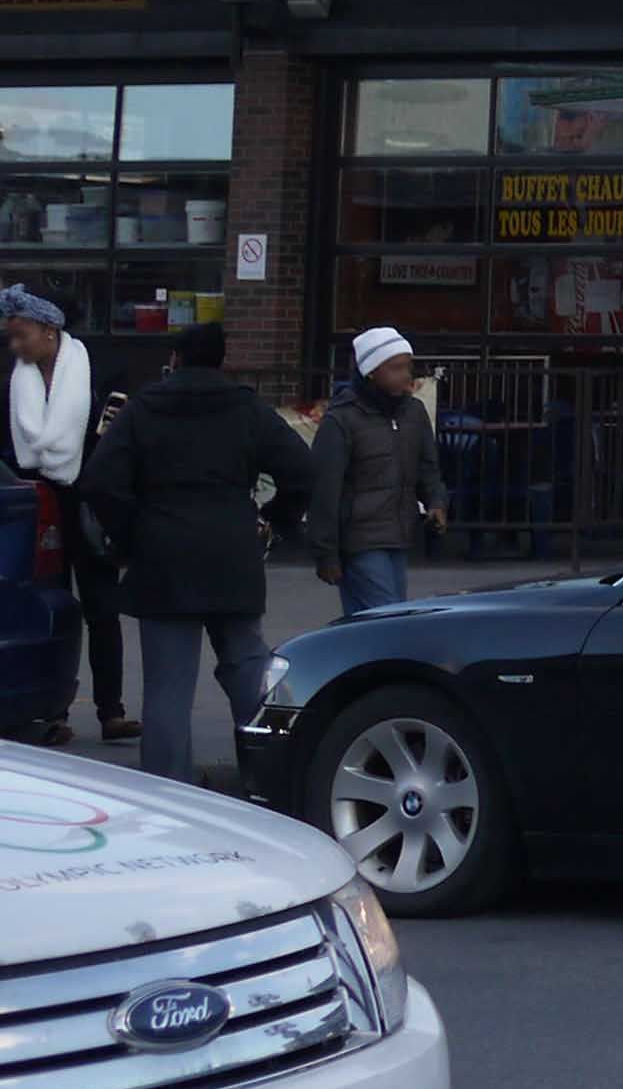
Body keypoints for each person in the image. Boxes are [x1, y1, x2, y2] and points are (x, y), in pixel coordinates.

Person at [80, 318, 311, 786]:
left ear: (175, 359)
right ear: (222, 360)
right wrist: (276, 520)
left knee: (168, 690)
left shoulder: (144, 409)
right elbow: (302, 468)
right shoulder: (246, 408)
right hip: (232, 550)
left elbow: (100, 480)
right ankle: (273, 779)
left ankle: (169, 794)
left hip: (163, 553)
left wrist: (129, 535)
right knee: (249, 673)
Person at [5, 285, 127, 744]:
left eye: (21, 336)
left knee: (102, 608)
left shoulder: (102, 371)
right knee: (48, 609)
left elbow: (117, 441)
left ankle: (111, 711)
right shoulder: (12, 382)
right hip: (39, 507)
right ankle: (52, 713)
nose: (15, 346)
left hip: (90, 501)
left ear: (49, 330)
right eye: (10, 338)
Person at [311, 326, 445, 617]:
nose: (406, 375)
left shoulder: (413, 412)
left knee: (372, 623)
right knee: (388, 619)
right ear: (371, 371)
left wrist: (436, 501)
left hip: (398, 533)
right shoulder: (342, 419)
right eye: (395, 368)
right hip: (359, 540)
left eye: (407, 367)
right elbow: (324, 488)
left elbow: (427, 468)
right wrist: (326, 552)